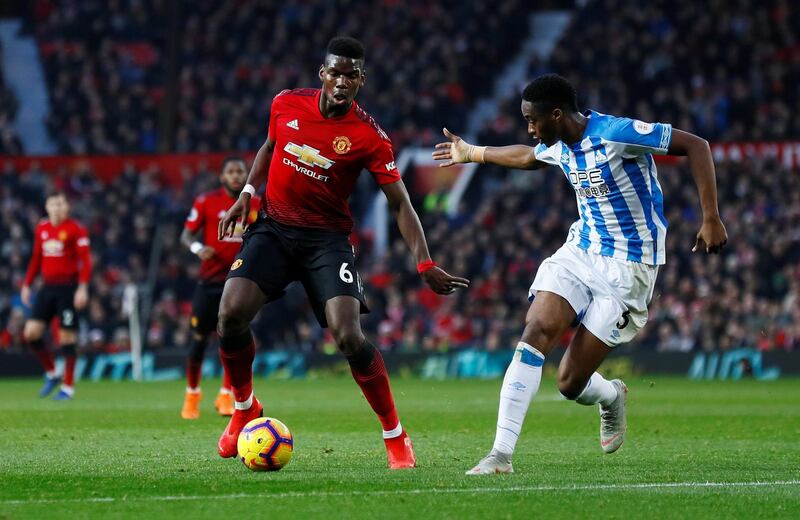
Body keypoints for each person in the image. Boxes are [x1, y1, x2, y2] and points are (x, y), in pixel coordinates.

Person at [433, 73, 727, 474]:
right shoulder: (557, 144)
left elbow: (696, 145)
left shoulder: (616, 133)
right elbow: (526, 157)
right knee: (536, 329)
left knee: (569, 383)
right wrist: (472, 152)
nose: (531, 129)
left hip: (630, 267)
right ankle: (500, 454)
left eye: (534, 121)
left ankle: (611, 397)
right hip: (582, 251)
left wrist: (710, 217)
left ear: (557, 114)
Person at [215, 36, 469, 468]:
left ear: (361, 81)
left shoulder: (369, 137)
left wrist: (423, 261)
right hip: (273, 228)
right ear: (323, 73)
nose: (342, 81)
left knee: (349, 336)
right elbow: (269, 147)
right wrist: (246, 191)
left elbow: (401, 204)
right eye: (336, 72)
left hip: (326, 242)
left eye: (351, 75)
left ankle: (395, 434)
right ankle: (243, 409)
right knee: (229, 314)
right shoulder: (286, 104)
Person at [179, 157, 261, 419]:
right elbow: (186, 235)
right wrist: (197, 248)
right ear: (222, 177)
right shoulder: (206, 201)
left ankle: (226, 395)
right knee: (199, 340)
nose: (236, 176)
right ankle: (192, 394)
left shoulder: (257, 204)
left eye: (240, 171)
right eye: (231, 172)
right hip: (209, 281)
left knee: (234, 338)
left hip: (239, 282)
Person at [21, 192, 92, 400]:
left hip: (68, 289)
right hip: (47, 288)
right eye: (54, 204)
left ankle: (68, 387)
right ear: (47, 206)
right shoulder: (42, 228)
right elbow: (36, 257)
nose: (58, 208)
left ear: (68, 207)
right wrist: (27, 284)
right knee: (31, 333)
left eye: (62, 203)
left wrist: (83, 287)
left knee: (66, 337)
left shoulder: (76, 229)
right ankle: (52, 373)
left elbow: (86, 261)